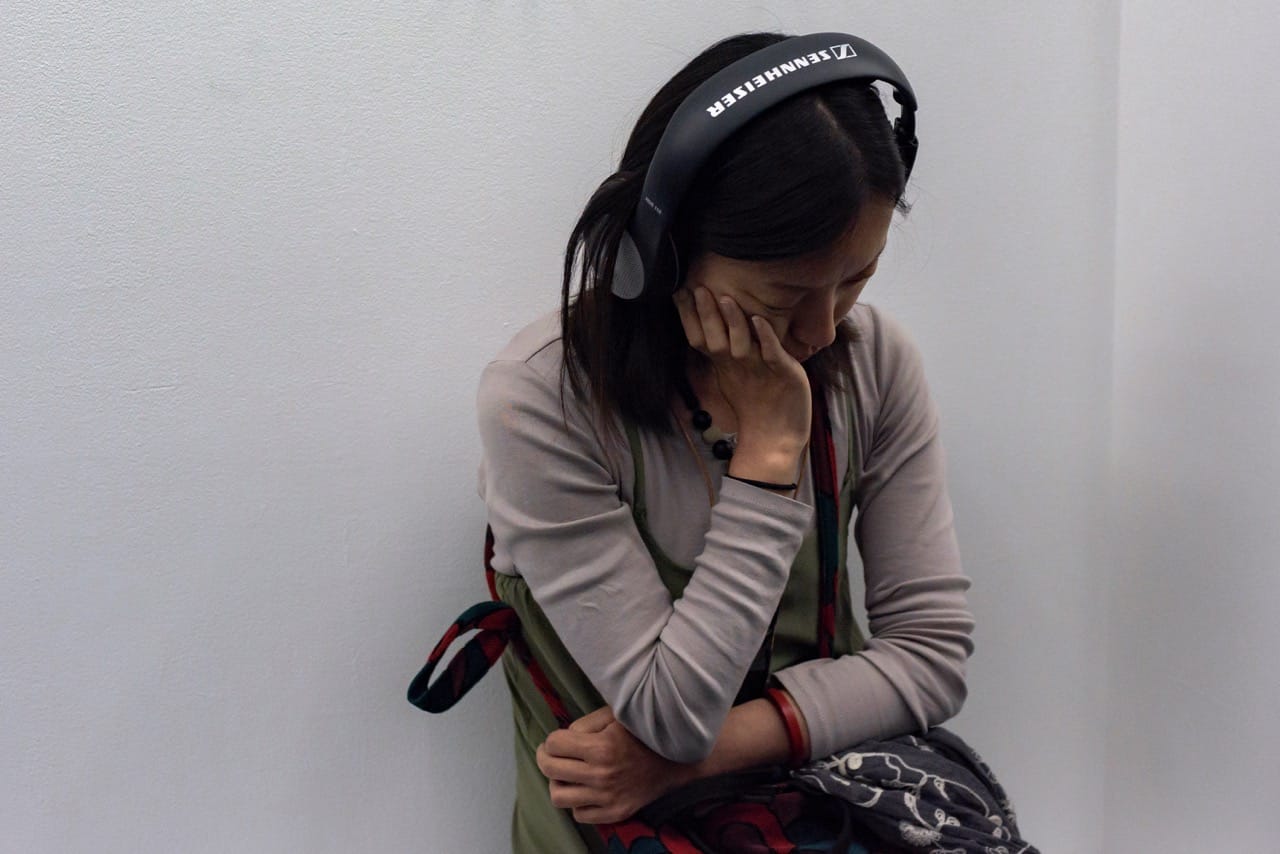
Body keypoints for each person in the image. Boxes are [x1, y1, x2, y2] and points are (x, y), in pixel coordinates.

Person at [475, 32, 975, 852]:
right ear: (658, 253)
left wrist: (690, 764)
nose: (822, 331)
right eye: (783, 295)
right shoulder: (542, 400)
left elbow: (933, 654)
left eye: (857, 278)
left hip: (822, 819)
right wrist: (772, 456)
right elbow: (669, 713)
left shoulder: (877, 360)